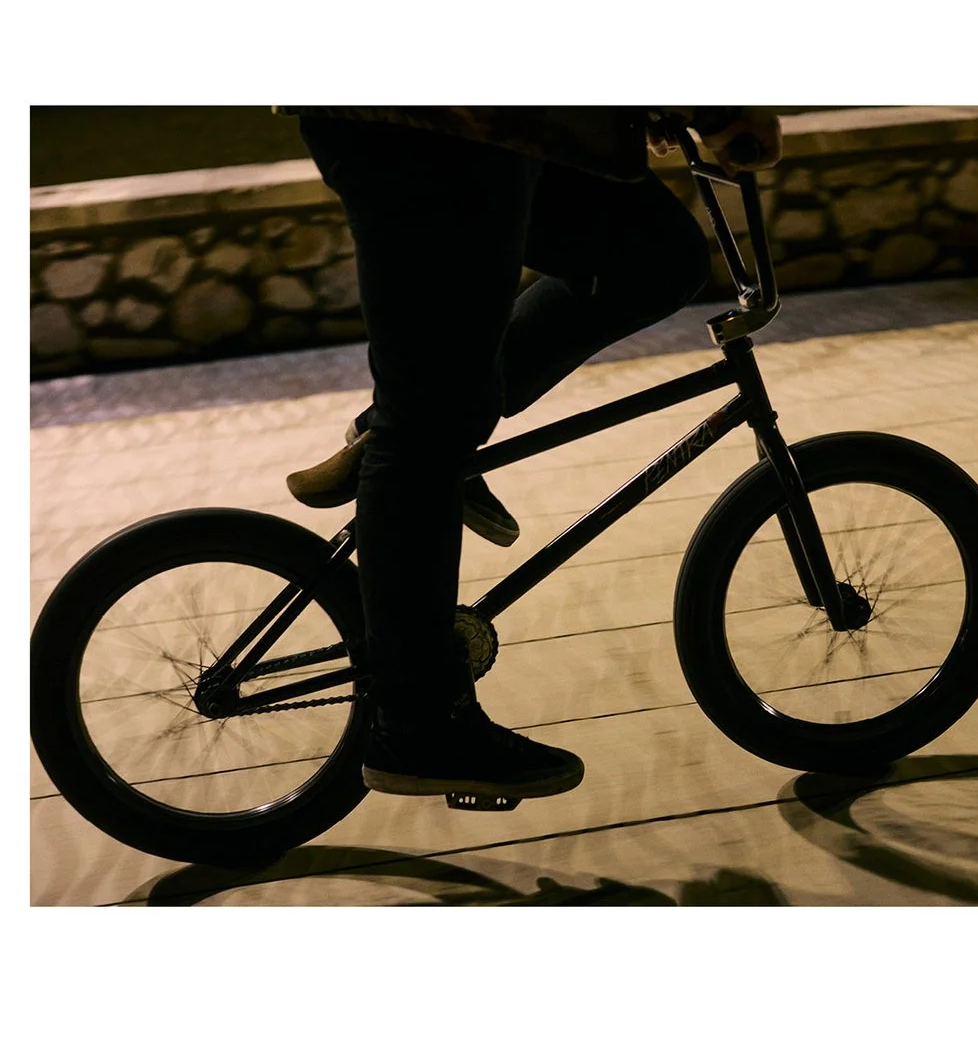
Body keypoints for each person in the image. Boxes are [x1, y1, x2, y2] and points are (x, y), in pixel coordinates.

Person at [286, 107, 782, 803]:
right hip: (431, 126)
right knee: (429, 422)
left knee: (658, 254)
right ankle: (419, 725)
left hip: (502, 121)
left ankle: (401, 433)